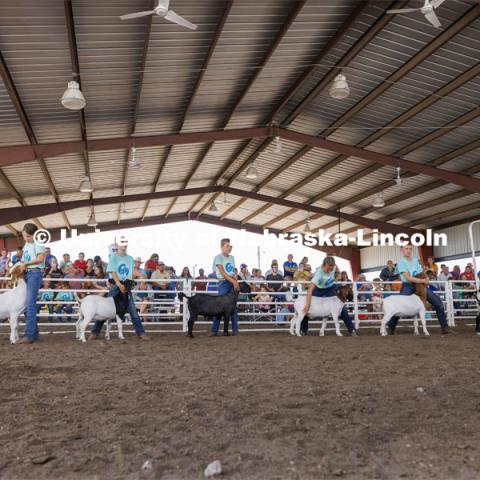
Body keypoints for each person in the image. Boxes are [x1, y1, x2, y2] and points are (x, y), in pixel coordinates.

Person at [90, 240, 149, 340]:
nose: (124, 246)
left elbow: (130, 273)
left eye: (125, 244)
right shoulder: (113, 257)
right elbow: (112, 272)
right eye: (122, 244)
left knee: (132, 310)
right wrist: (119, 284)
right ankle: (95, 332)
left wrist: (128, 284)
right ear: (118, 246)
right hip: (115, 286)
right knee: (106, 309)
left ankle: (140, 332)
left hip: (125, 287)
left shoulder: (130, 259)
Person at [386, 244, 450, 335]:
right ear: (402, 250)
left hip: (420, 285)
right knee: (398, 305)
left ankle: (445, 327)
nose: (408, 250)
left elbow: (421, 273)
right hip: (408, 285)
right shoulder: (401, 263)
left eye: (410, 249)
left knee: (438, 303)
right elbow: (408, 278)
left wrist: (426, 278)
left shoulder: (416, 260)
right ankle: (391, 328)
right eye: (406, 248)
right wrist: (422, 280)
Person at [300, 256, 357, 336]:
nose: (330, 270)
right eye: (328, 268)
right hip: (318, 290)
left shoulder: (334, 266)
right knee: (307, 308)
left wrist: (339, 276)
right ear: (324, 265)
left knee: (342, 309)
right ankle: (303, 329)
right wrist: (307, 305)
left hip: (331, 288)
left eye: (331, 268)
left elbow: (338, 271)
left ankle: (352, 329)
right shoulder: (319, 273)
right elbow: (309, 290)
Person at [18, 223, 46, 344]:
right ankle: (33, 334)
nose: (26, 238)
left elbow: (40, 259)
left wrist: (26, 264)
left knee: (29, 305)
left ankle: (29, 335)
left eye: (28, 236)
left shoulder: (38, 243)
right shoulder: (27, 244)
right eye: (24, 236)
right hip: (28, 273)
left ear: (35, 235)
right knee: (27, 304)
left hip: (34, 273)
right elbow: (25, 258)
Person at [211, 238, 240, 336]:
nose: (229, 248)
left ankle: (235, 331)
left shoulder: (232, 257)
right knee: (220, 307)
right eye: (227, 246)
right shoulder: (218, 257)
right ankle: (214, 330)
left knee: (233, 308)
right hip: (224, 283)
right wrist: (234, 281)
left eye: (230, 246)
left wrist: (235, 275)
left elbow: (233, 270)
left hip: (231, 282)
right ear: (222, 246)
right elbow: (222, 273)